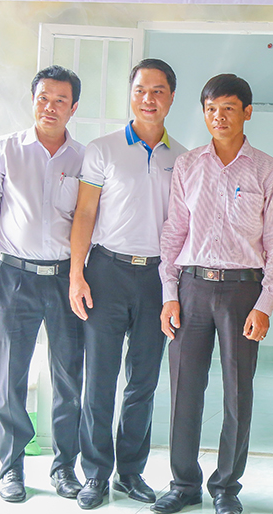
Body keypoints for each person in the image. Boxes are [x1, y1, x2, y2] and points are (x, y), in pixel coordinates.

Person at [153, 75, 273, 514]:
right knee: (184, 390)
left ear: (247, 112)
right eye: (211, 109)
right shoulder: (188, 165)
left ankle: (227, 487)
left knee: (237, 392)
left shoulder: (268, 170)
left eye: (228, 108)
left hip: (242, 291)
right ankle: (183, 484)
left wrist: (265, 305)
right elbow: (174, 231)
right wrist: (169, 293)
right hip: (191, 287)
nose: (219, 117)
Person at [69, 59, 186, 510]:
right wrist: (77, 274)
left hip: (157, 278)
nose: (148, 99)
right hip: (106, 272)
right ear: (130, 94)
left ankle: (130, 472)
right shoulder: (102, 149)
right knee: (99, 378)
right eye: (140, 90)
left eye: (158, 91)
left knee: (143, 381)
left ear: (171, 97)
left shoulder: (183, 158)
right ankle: (96, 473)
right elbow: (84, 213)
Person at [0, 66, 86, 503]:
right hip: (14, 278)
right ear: (33, 100)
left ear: (74, 107)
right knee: (11, 377)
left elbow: (89, 222)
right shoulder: (4, 150)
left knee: (69, 378)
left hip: (65, 280)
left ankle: (64, 468)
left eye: (60, 101)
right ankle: (11, 468)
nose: (50, 107)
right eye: (43, 98)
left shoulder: (84, 159)